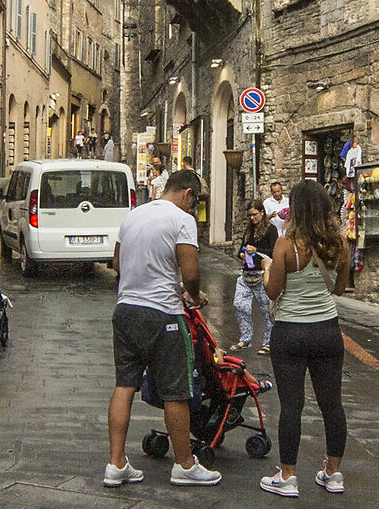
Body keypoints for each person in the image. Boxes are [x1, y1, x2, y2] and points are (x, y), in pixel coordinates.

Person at [104, 168, 218, 487]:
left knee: (124, 384)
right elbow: (191, 273)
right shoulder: (181, 220)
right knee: (176, 390)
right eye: (195, 202)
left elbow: (117, 262)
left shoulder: (133, 216)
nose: (193, 208)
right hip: (163, 314)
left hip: (125, 310)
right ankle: (184, 464)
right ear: (187, 193)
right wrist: (194, 295)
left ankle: (116, 463)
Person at [260, 178, 350, 498]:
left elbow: (273, 291)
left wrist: (267, 270)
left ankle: (287, 476)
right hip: (327, 329)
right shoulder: (339, 244)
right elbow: (340, 289)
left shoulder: (285, 244)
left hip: (290, 331)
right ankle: (333, 473)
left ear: (295, 209)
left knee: (291, 405)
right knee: (332, 404)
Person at [234, 206, 275, 355]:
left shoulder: (271, 230)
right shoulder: (249, 230)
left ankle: (268, 342)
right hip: (247, 272)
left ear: (262, 213)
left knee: (267, 310)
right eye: (249, 215)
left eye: (254, 214)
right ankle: (245, 338)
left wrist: (256, 251)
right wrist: (242, 254)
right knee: (239, 304)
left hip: (262, 273)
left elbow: (274, 252)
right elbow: (241, 248)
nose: (252, 218)